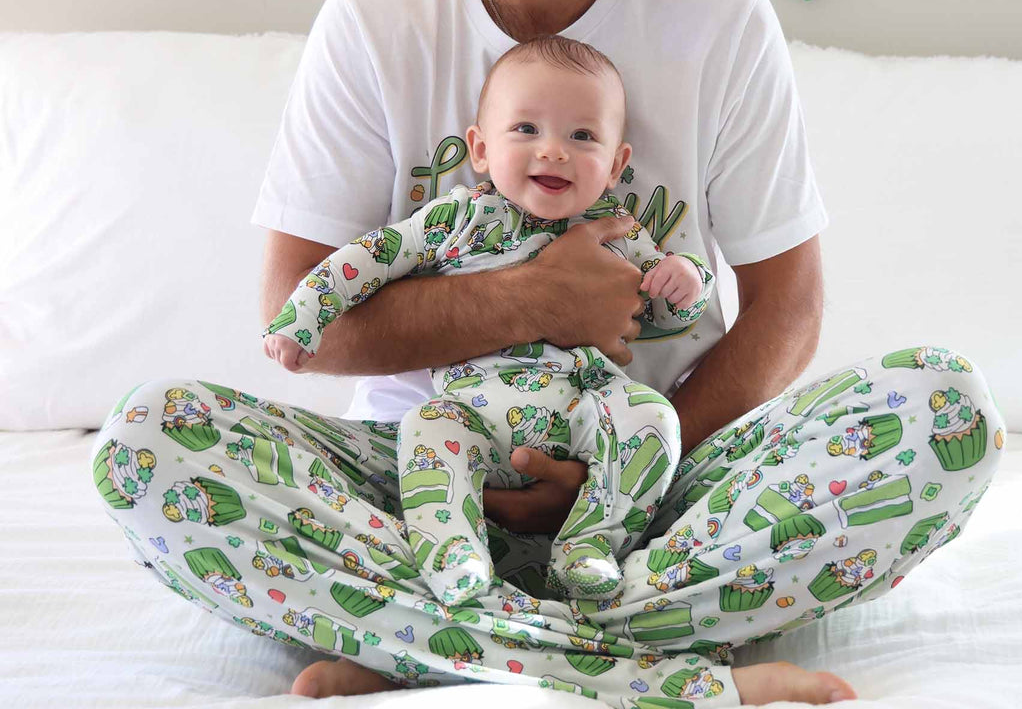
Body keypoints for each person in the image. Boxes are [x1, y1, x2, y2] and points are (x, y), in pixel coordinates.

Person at [91, 0, 1005, 706]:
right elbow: (304, 323)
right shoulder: (375, 23)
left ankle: (422, 646)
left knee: (945, 409)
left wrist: (624, 475)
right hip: (416, 477)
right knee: (148, 444)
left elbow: (789, 307)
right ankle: (665, 672)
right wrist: (532, 297)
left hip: (660, 474)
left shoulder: (721, 21)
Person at [263, 34, 715, 606]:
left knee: (652, 415)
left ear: (616, 165)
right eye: (526, 130)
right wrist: (304, 316)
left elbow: (667, 301)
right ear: (479, 148)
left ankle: (588, 543)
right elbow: (369, 259)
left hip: (584, 415)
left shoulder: (618, 229)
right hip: (471, 417)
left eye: (582, 136)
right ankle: (453, 553)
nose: (553, 151)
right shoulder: (458, 216)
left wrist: (684, 279)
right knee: (425, 429)